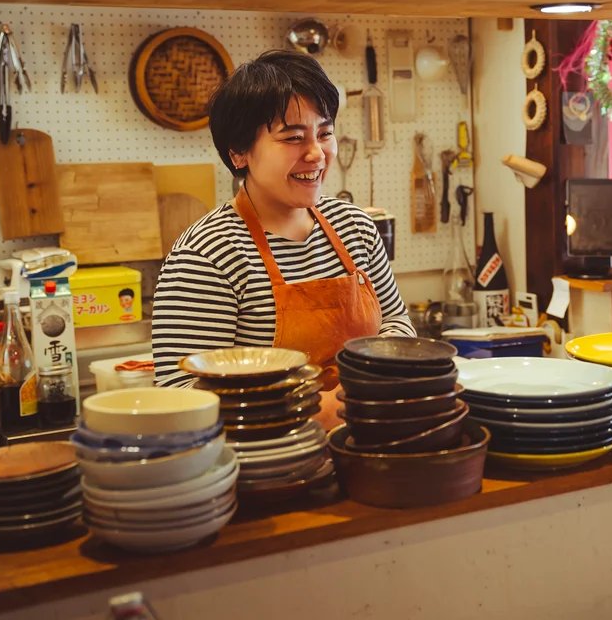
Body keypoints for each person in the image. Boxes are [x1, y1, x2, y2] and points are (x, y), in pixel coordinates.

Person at [151, 51, 415, 416]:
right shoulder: (208, 255)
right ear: (239, 152)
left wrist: (376, 378)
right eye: (292, 138)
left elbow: (396, 322)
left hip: (365, 440)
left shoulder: (355, 227)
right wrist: (313, 407)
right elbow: (180, 396)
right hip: (265, 461)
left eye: (325, 133)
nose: (316, 154)